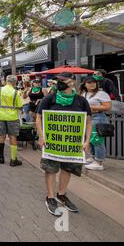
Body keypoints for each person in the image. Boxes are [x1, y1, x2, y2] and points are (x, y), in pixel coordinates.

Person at [36, 72, 92, 216]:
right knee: (51, 169)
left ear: (72, 82)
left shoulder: (81, 101)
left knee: (67, 168)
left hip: (71, 145)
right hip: (52, 143)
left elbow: (88, 121)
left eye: (62, 80)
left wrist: (86, 141)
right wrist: (41, 136)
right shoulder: (50, 98)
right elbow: (39, 117)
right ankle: (50, 197)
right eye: (58, 80)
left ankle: (61, 194)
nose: (59, 82)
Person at [79, 76, 112, 171]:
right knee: (91, 140)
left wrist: (92, 107)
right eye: (89, 83)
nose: (92, 84)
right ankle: (93, 157)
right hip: (88, 119)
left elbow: (108, 107)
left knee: (97, 140)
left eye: (94, 82)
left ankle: (99, 162)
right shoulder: (84, 94)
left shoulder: (101, 93)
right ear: (84, 84)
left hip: (98, 118)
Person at [0, 75, 23, 166]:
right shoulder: (16, 92)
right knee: (13, 137)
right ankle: (13, 160)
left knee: (1, 136)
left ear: (6, 81)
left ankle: (0, 157)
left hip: (1, 117)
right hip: (12, 118)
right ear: (15, 83)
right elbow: (20, 106)